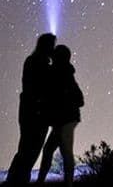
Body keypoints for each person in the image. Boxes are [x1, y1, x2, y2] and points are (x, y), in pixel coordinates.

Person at [5, 33, 57, 185]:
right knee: (28, 150)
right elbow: (40, 88)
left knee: (28, 150)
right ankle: (16, 181)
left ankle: (16, 180)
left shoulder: (33, 61)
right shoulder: (37, 63)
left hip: (32, 112)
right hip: (35, 113)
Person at [36, 44, 84, 186]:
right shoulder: (64, 73)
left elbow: (79, 99)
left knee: (65, 151)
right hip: (62, 119)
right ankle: (41, 181)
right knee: (50, 150)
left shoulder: (63, 74)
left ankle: (67, 183)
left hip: (66, 119)